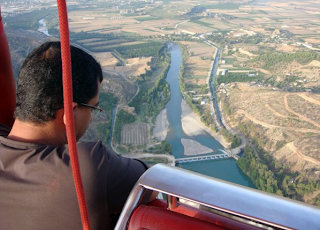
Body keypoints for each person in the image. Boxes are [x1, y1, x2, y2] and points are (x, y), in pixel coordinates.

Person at [0, 41, 148, 229]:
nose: (91, 118)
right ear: (70, 113)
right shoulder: (87, 165)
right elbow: (150, 182)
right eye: (93, 108)